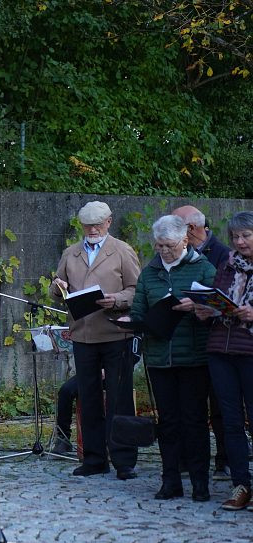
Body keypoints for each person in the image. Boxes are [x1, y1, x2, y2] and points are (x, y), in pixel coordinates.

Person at [124, 215, 215, 501]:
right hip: (160, 358)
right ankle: (170, 480)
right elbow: (139, 309)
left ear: (185, 240)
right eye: (159, 245)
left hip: (194, 358)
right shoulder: (150, 273)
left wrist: (198, 307)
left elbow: (218, 309)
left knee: (196, 421)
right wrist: (130, 320)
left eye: (170, 246)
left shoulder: (204, 268)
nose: (164, 251)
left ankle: (200, 482)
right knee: (168, 422)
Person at [50, 201, 141, 479]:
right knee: (87, 398)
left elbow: (137, 290)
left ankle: (124, 460)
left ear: (109, 222)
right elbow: (57, 289)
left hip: (115, 332)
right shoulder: (71, 253)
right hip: (84, 334)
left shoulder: (122, 250)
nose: (92, 230)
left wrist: (117, 300)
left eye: (97, 225)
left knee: (119, 398)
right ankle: (93, 457)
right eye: (87, 226)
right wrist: (57, 287)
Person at [194, 211, 253, 511]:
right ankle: (241, 485)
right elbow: (217, 298)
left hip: (250, 351)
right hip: (221, 349)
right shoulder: (226, 266)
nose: (240, 242)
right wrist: (207, 310)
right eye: (235, 237)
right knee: (230, 422)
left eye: (246, 236)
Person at [173, 204, 232, 479]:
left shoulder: (223, 255)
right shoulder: (179, 252)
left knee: (222, 403)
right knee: (192, 404)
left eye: (178, 226)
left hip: (221, 338)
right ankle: (192, 460)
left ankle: (225, 458)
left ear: (192, 229)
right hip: (191, 338)